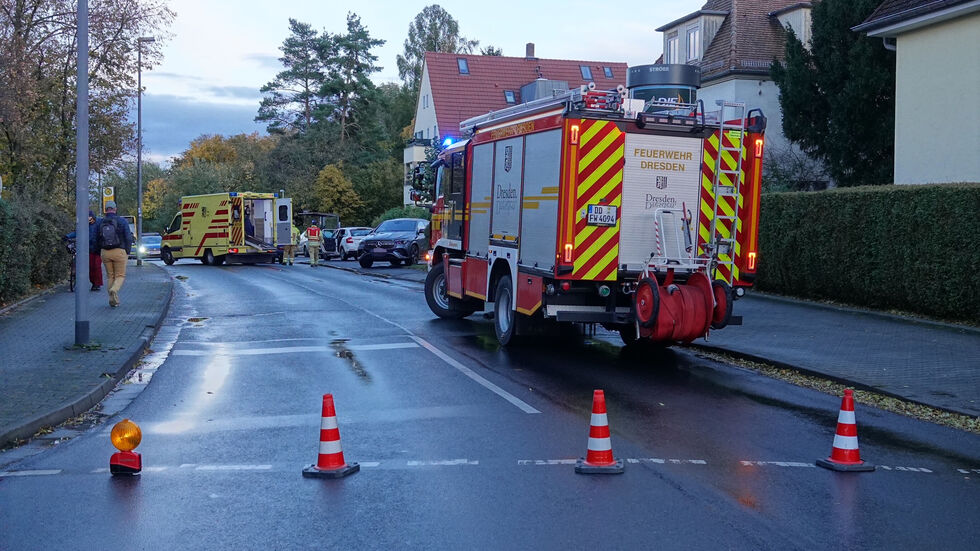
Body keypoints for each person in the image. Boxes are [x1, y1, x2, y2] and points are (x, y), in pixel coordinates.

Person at [97, 201, 133, 307]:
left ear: (105, 209)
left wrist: (99, 250)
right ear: (115, 209)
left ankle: (113, 301)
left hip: (105, 252)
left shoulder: (101, 222)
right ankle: (114, 289)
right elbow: (128, 237)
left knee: (110, 276)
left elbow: (97, 238)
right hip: (119, 251)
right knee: (120, 276)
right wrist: (127, 251)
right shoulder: (122, 221)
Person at [66, 211, 104, 291]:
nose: (90, 222)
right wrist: (67, 236)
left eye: (91, 220)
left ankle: (97, 284)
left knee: (96, 266)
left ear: (93, 218)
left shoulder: (99, 222)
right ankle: (94, 283)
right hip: (89, 248)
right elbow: (77, 232)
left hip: (97, 248)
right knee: (91, 267)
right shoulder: (85, 224)